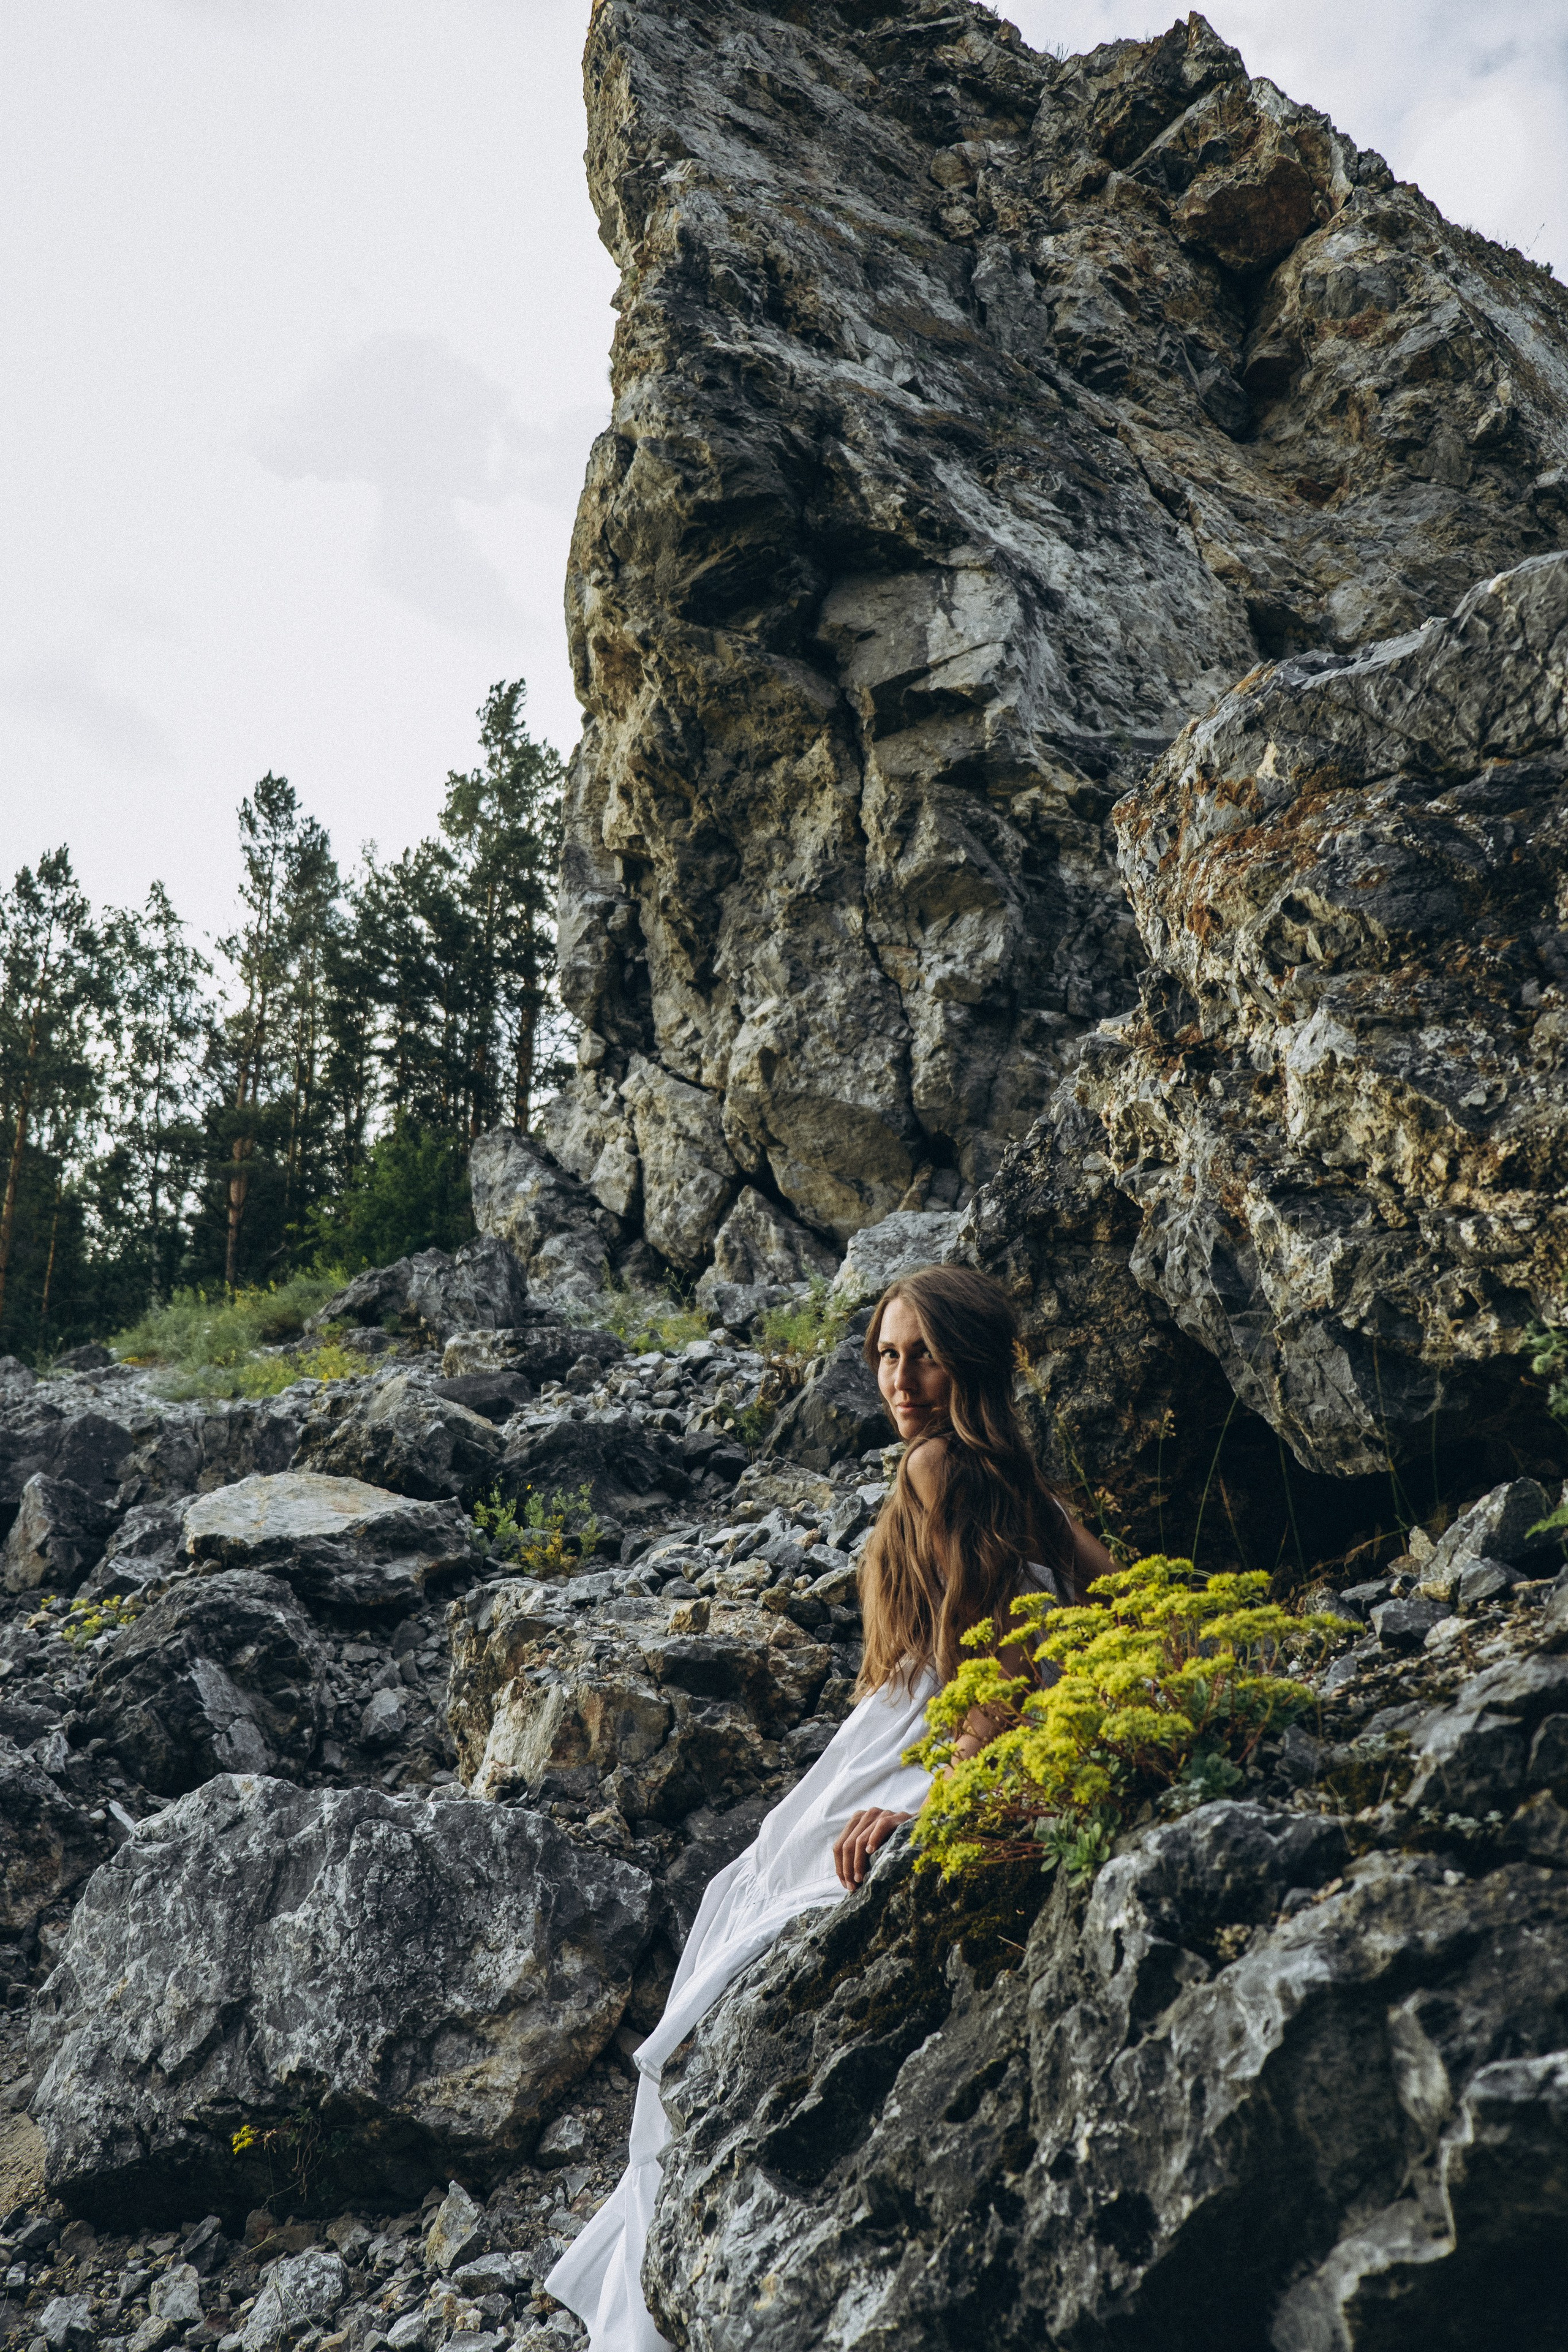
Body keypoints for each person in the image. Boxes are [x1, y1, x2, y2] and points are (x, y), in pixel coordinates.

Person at [546, 1263, 1113, 2350]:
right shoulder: (1018, 1483)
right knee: (738, 1913)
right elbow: (1123, 1604)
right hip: (904, 1739)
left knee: (739, 1933)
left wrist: (945, 1805)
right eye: (887, 1356)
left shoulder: (950, 1467)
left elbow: (981, 1659)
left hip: (921, 1748)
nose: (900, 1380)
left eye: (924, 1355)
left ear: (970, 1362)